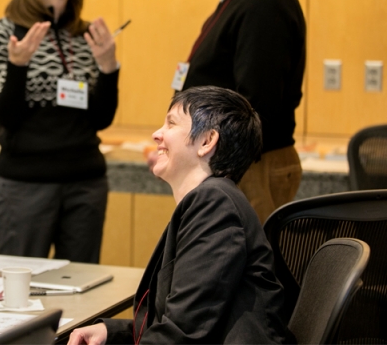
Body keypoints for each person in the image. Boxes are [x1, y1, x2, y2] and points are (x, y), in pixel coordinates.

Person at [67, 86, 293, 345]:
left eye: (171, 124)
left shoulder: (215, 204)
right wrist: (112, 332)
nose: (157, 134)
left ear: (207, 141)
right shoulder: (213, 200)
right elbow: (188, 320)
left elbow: (185, 334)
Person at [0, 0, 120, 263]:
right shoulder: (6, 31)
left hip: (85, 183)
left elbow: (101, 120)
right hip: (26, 185)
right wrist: (18, 65)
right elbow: (8, 117)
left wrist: (108, 69)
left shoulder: (89, 35)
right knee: (21, 297)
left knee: (82, 298)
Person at [174, 0, 306, 223]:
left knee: (244, 273)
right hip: (234, 171)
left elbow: (254, 105)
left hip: (249, 174)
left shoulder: (263, 0)